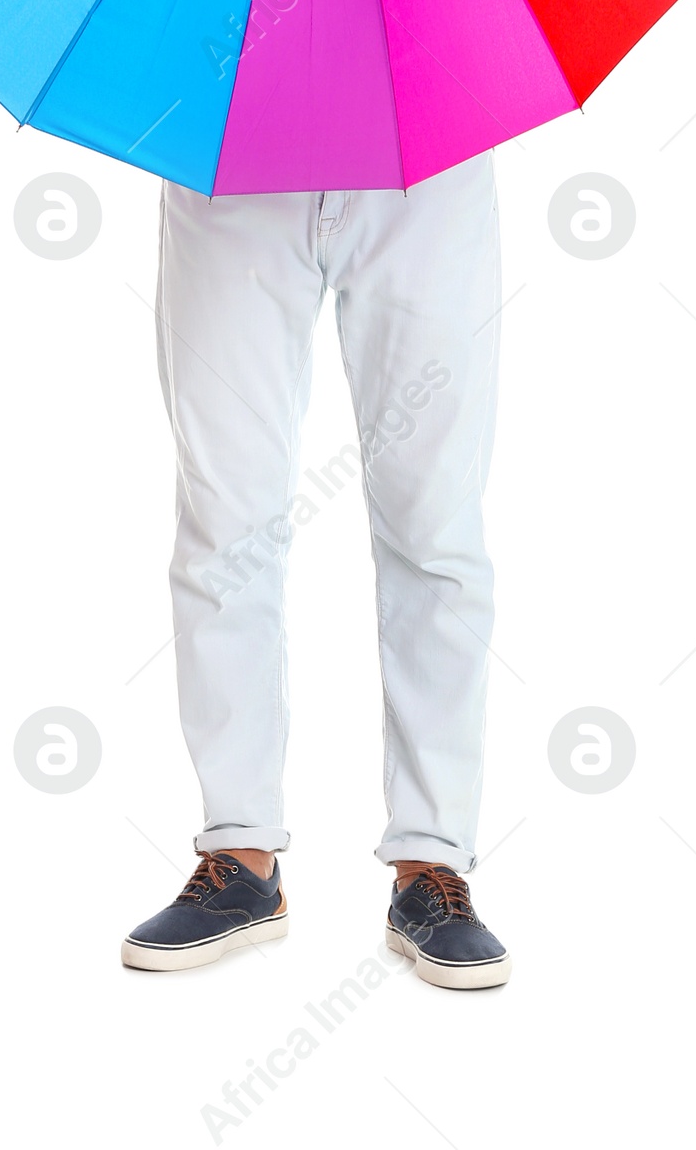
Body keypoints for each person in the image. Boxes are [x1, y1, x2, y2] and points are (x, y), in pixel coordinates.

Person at [120, 152, 511, 988]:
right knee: (225, 520)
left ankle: (432, 860)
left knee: (434, 525)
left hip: (425, 158)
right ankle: (240, 853)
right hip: (229, 145)